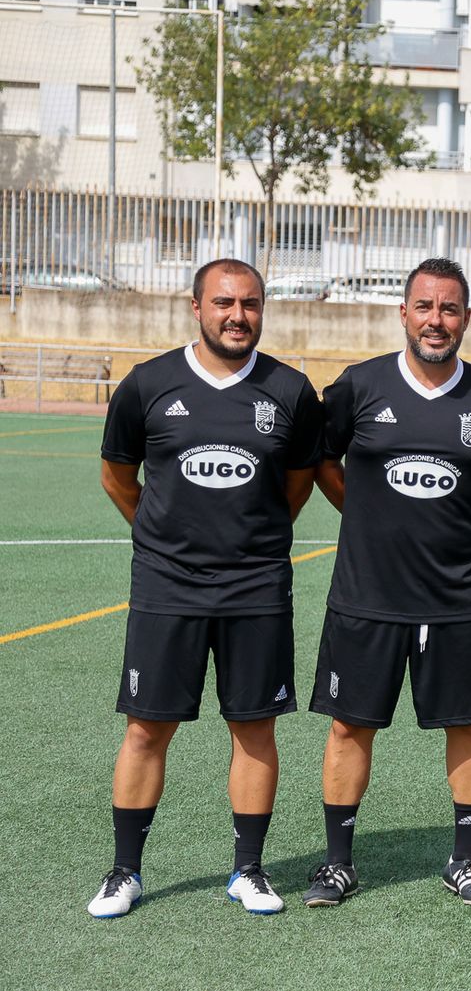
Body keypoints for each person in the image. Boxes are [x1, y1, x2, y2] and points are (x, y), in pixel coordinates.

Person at [89, 258, 322, 918]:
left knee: (254, 728)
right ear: (196, 306)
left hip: (256, 587)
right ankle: (124, 871)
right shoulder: (148, 384)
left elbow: (297, 483)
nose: (237, 314)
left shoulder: (292, 391)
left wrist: (255, 538)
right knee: (145, 729)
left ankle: (248, 869)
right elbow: (116, 473)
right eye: (223, 302)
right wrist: (160, 535)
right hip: (168, 587)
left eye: (249, 303)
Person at [303, 257, 471, 909]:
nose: (437, 320)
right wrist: (369, 515)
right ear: (403, 313)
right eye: (425, 307)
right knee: (349, 726)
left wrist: (464, 522)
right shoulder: (358, 386)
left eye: (449, 308)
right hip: (366, 594)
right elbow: (322, 461)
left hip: (454, 597)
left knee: (469, 724)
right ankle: (338, 862)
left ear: (466, 318)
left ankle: (465, 859)